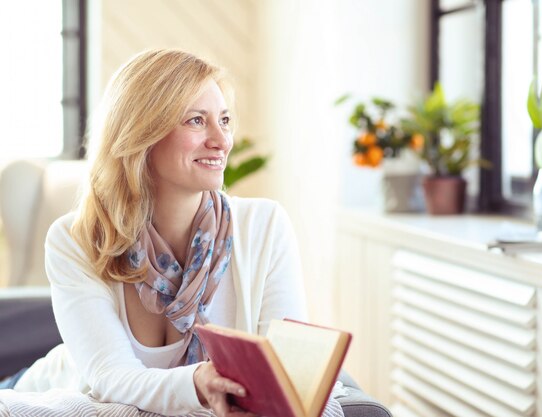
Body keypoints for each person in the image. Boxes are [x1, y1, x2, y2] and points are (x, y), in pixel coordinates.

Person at [8, 49, 344, 417]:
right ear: (142, 133)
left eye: (225, 120)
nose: (222, 140)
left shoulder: (265, 226)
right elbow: (110, 376)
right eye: (197, 121)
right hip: (43, 388)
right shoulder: (75, 239)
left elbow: (284, 375)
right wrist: (198, 383)